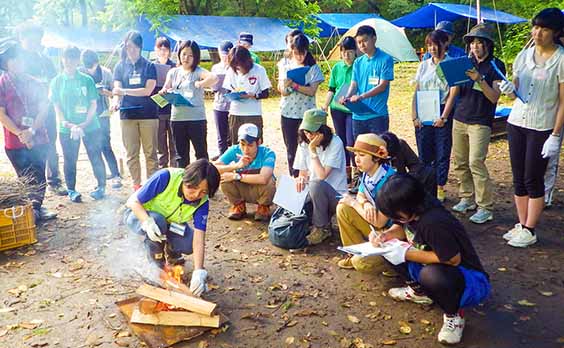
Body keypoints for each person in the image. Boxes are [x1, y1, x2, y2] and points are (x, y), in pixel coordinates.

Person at [374, 174, 490, 345]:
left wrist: (405, 253)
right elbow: (400, 228)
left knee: (431, 275)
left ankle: (454, 314)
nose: (395, 218)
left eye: (396, 214)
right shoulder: (412, 210)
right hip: (431, 262)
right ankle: (419, 292)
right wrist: (385, 236)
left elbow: (452, 259)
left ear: (408, 207)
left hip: (469, 280)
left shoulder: (433, 222)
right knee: (388, 248)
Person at [498, 8, 564, 248]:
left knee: (532, 177)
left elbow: (563, 102)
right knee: (518, 178)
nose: (538, 32)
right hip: (516, 122)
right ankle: (521, 223)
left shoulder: (561, 59)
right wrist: (508, 87)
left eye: (544, 28)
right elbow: (516, 83)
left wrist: (555, 135)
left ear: (556, 32)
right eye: (535, 27)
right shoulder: (524, 55)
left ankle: (530, 228)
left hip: (542, 126)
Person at [123, 159, 220, 296]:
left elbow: (199, 238)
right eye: (192, 187)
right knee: (158, 222)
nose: (196, 195)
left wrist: (199, 271)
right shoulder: (166, 177)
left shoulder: (202, 202)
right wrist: (147, 222)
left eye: (203, 191)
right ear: (185, 179)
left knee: (189, 242)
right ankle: (156, 264)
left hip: (171, 224)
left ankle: (172, 251)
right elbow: (133, 201)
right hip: (139, 215)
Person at [449, 24, 505, 224]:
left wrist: (479, 79)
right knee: (460, 162)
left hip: (481, 121)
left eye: (480, 42)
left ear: (488, 45)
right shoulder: (464, 62)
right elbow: (454, 88)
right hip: (460, 117)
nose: (476, 46)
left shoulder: (496, 65)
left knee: (475, 162)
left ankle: (485, 207)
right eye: (473, 42)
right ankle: (466, 197)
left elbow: (494, 97)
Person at [0, 38, 57, 222]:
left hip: (38, 136)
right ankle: (32, 210)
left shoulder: (34, 82)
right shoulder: (2, 84)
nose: (17, 62)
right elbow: (2, 114)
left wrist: (31, 130)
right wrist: (20, 133)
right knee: (25, 178)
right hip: (15, 141)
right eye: (13, 59)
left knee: (39, 176)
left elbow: (44, 109)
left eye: (19, 58)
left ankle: (37, 208)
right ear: (6, 63)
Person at [50, 46, 106, 202]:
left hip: (90, 125)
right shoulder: (57, 81)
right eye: (67, 57)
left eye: (73, 58)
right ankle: (71, 190)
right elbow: (57, 106)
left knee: (95, 155)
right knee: (69, 158)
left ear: (78, 60)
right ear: (62, 59)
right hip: (66, 128)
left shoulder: (86, 79)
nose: (70, 61)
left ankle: (101, 186)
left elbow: (93, 103)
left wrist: (85, 123)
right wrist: (67, 124)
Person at [16, 22, 66, 196]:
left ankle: (54, 180)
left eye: (37, 41)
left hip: (47, 109)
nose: (33, 44)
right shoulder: (16, 61)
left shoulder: (44, 60)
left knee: (51, 144)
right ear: (21, 39)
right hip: (25, 113)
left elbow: (53, 83)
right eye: (30, 41)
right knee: (27, 146)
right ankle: (30, 185)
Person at [336, 133, 396, 271]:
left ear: (376, 158)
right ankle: (355, 252)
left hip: (390, 232)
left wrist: (355, 204)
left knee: (362, 264)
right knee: (343, 207)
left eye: (362, 156)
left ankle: (392, 266)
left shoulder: (389, 180)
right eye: (356, 154)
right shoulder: (368, 173)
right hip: (376, 226)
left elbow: (380, 222)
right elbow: (360, 194)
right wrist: (365, 203)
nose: (356, 160)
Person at [412, 30, 457, 202]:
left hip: (442, 109)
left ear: (445, 44)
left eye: (435, 44)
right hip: (424, 109)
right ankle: (426, 185)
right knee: (424, 151)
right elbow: (416, 89)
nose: (432, 48)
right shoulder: (424, 65)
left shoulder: (451, 64)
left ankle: (439, 186)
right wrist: (414, 115)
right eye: (429, 44)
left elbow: (453, 92)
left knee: (442, 150)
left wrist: (444, 117)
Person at [111, 30, 158, 191]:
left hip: (148, 115)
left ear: (139, 47)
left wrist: (124, 91)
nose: (129, 50)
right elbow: (116, 88)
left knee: (150, 153)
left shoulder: (149, 66)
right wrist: (116, 101)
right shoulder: (119, 66)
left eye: (132, 46)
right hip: (127, 114)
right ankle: (137, 186)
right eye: (127, 46)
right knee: (131, 153)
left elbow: (147, 90)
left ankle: (151, 186)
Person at [293, 109, 347, 245]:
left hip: (335, 195)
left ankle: (321, 228)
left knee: (316, 184)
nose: (309, 136)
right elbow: (303, 172)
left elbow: (322, 175)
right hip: (313, 193)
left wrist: (312, 150)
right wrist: (301, 178)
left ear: (323, 131)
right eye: (306, 132)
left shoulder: (336, 143)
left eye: (312, 132)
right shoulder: (303, 143)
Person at [160, 40, 217, 168]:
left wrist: (201, 83)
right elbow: (166, 87)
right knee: (181, 156)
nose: (186, 58)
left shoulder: (198, 71)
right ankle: (184, 183)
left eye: (190, 55)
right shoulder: (173, 72)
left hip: (196, 119)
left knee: (201, 154)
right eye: (184, 54)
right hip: (177, 119)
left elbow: (214, 78)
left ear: (195, 57)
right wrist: (164, 91)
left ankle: (204, 181)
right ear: (179, 54)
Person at [279, 34, 324, 176]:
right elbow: (282, 91)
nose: (300, 57)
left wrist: (295, 85)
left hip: (307, 114)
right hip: (287, 112)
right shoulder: (284, 64)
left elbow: (311, 91)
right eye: (297, 53)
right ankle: (294, 176)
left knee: (307, 146)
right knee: (291, 147)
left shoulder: (313, 67)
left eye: (302, 53)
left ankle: (309, 176)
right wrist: (286, 86)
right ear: (292, 50)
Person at [214, 123, 276, 221]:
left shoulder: (267, 153)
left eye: (250, 145)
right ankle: (238, 205)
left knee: (270, 182)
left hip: (259, 188)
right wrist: (236, 166)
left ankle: (263, 206)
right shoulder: (234, 150)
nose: (246, 150)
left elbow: (264, 178)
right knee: (224, 179)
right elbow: (213, 168)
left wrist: (236, 176)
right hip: (242, 187)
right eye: (242, 144)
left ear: (259, 142)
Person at [341, 25, 394, 138]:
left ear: (374, 39)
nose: (362, 45)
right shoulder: (358, 62)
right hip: (358, 115)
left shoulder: (386, 59)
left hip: (377, 115)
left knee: (377, 151)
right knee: (360, 151)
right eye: (359, 42)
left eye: (365, 40)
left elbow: (382, 86)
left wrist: (361, 96)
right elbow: (354, 84)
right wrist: (346, 96)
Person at [80, 49, 122, 189]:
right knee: (92, 149)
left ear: (97, 62)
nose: (90, 69)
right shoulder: (80, 73)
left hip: (103, 114)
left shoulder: (106, 73)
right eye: (87, 66)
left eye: (92, 65)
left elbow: (115, 94)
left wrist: (105, 92)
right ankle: (100, 179)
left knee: (105, 144)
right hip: (86, 117)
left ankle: (115, 174)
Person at [322, 36, 357, 184]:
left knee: (351, 141)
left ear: (355, 52)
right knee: (341, 141)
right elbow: (331, 89)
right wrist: (325, 105)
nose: (346, 55)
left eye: (349, 51)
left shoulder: (359, 66)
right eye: (344, 52)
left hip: (352, 109)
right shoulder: (337, 67)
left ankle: (357, 173)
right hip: (337, 108)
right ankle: (346, 172)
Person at [223, 45, 271, 145]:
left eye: (240, 65)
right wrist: (234, 94)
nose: (238, 68)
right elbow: (227, 91)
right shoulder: (231, 71)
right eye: (235, 66)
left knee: (254, 145)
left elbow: (266, 93)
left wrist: (253, 95)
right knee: (236, 145)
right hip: (235, 112)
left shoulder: (259, 70)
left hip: (253, 113)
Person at [380, 131, 437, 196]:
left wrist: (408, 179)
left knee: (429, 173)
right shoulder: (372, 154)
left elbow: (415, 164)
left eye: (393, 157)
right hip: (383, 188)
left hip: (401, 182)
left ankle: (429, 204)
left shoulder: (400, 144)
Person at [153, 37, 177, 169]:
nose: (163, 52)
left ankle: (174, 167)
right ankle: (162, 167)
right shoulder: (151, 66)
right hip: (157, 108)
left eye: (165, 49)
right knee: (160, 142)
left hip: (173, 108)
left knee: (174, 141)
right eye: (160, 49)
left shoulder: (174, 67)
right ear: (155, 50)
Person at [211, 40, 234, 158]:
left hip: (233, 106)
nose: (225, 57)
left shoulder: (236, 67)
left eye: (227, 54)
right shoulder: (215, 68)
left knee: (233, 134)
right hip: (219, 104)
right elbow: (212, 86)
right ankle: (222, 157)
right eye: (223, 54)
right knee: (221, 135)